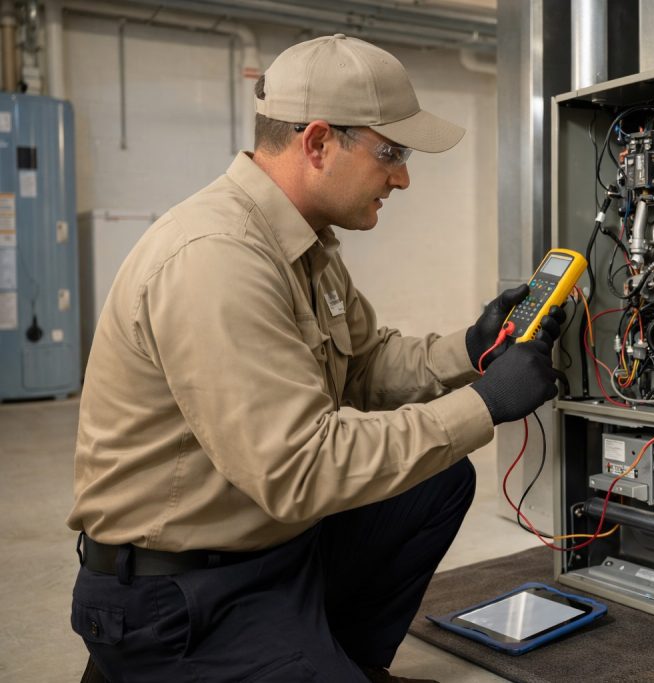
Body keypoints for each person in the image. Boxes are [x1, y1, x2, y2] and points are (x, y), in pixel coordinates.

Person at [68, 34, 564, 682]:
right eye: (391, 152)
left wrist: (471, 349)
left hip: (269, 550)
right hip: (179, 597)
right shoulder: (218, 258)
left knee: (438, 484)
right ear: (318, 143)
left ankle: (345, 658)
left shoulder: (305, 245)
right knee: (435, 455)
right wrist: (485, 404)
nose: (404, 176)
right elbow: (301, 466)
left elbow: (363, 364)